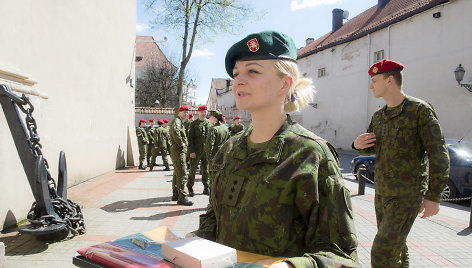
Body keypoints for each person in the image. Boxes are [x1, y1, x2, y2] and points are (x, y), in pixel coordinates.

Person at [191, 30, 359, 268]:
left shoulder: (310, 154)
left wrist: (289, 266)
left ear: (284, 83)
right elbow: (214, 218)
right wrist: (194, 240)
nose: (238, 80)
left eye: (253, 71)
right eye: (237, 73)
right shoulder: (228, 149)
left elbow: (340, 254)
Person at [352, 59, 449, 267]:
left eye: (374, 80)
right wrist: (357, 144)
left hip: (406, 195)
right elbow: (372, 147)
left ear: (390, 80)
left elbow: (439, 154)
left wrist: (433, 196)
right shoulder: (379, 116)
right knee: (396, 246)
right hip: (383, 193)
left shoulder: (419, 111)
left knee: (382, 251)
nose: (370, 86)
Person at [169, 105, 193, 206]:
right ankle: (182, 197)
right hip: (178, 151)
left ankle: (175, 193)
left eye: (187, 112)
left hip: (178, 151)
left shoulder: (180, 122)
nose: (186, 114)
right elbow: (175, 132)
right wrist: (181, 143)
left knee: (177, 172)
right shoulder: (177, 122)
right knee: (182, 173)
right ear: (179, 112)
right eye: (184, 112)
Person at [187, 105, 212, 196]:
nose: (204, 113)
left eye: (205, 112)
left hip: (206, 152)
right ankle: (190, 187)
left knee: (206, 169)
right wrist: (191, 151)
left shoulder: (209, 123)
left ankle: (206, 187)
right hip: (196, 151)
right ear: (198, 112)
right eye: (202, 112)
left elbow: (211, 138)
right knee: (193, 169)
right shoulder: (194, 124)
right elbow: (190, 138)